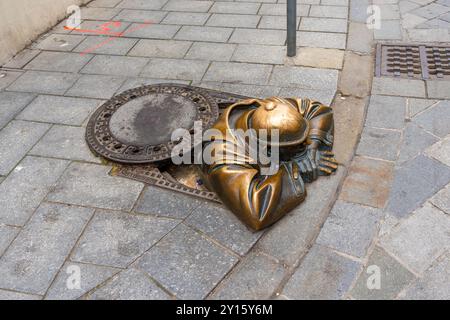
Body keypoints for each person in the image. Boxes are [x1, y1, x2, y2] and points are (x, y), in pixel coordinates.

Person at [202, 97, 338, 231]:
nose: (304, 145)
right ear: (268, 148)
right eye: (295, 146)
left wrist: (312, 145)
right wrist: (296, 170)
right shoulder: (222, 156)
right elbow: (255, 211)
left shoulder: (273, 108)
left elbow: (317, 110)